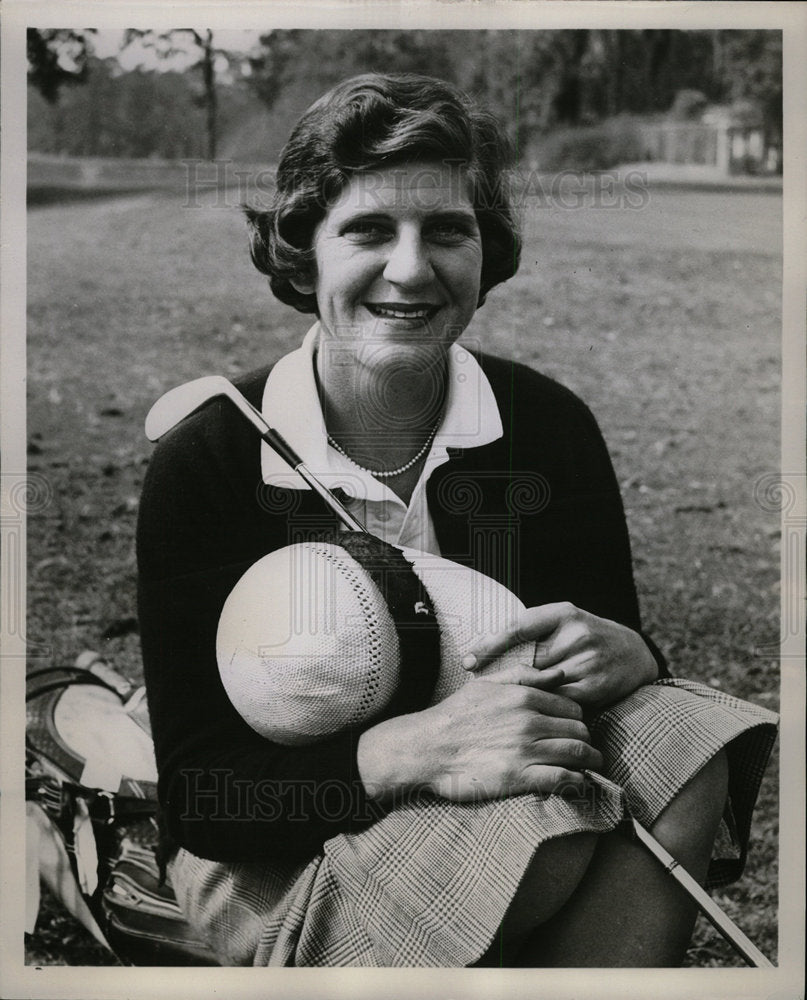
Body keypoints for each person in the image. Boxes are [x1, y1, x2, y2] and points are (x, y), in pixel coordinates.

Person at [137, 73, 777, 967]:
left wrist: (632, 655)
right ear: (305, 250)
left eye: (446, 230)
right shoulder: (210, 456)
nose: (410, 267)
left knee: (679, 730)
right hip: (279, 845)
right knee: (548, 821)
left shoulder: (546, 424)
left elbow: (603, 670)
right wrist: (411, 754)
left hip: (510, 794)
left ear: (487, 252)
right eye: (366, 229)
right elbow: (204, 798)